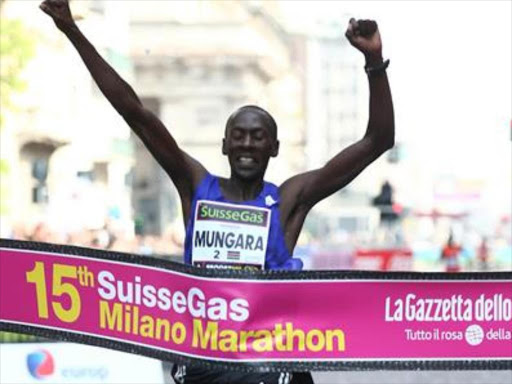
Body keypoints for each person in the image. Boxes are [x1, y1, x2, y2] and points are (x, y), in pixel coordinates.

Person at [40, 0, 394, 383]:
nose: (246, 145)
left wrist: (374, 61)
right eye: (238, 136)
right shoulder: (197, 186)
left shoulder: (290, 199)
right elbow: (134, 112)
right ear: (224, 145)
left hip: (270, 363)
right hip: (205, 364)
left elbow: (377, 140)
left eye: (257, 137)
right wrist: (73, 30)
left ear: (273, 148)